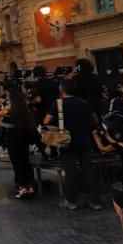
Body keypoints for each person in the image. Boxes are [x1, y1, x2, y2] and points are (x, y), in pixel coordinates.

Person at [44, 79, 100, 211]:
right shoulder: (84, 103)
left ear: (62, 90)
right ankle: (95, 201)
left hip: (67, 141)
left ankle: (70, 200)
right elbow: (95, 120)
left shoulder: (58, 104)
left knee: (70, 171)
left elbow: (46, 120)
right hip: (84, 140)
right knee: (88, 171)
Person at [0, 89, 38, 199]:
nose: (8, 103)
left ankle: (22, 187)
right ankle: (30, 186)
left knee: (17, 165)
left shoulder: (12, 116)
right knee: (25, 163)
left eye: (9, 101)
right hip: (24, 143)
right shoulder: (25, 113)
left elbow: (2, 124)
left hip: (14, 143)